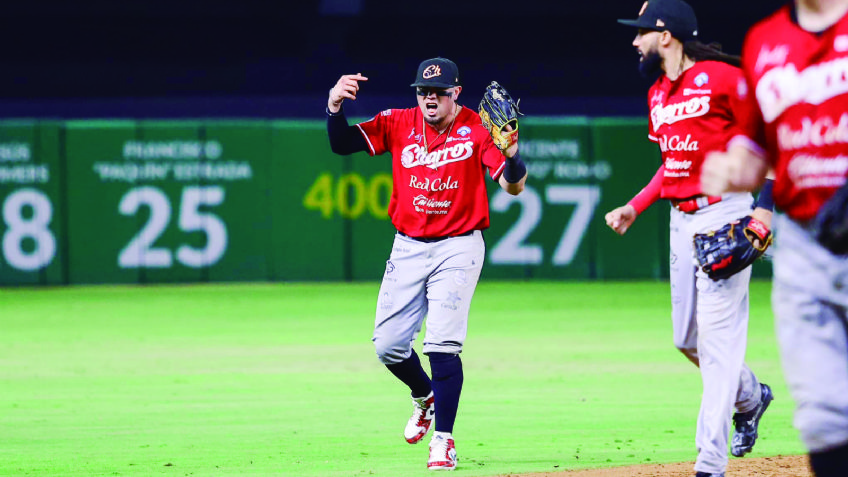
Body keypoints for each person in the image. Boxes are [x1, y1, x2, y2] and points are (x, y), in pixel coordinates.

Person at [325, 57, 527, 471]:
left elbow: (514, 187)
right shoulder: (397, 122)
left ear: (455, 92)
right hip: (408, 246)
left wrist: (512, 156)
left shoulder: (476, 128)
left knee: (440, 344)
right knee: (388, 346)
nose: (429, 98)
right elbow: (342, 143)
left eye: (438, 92)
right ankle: (426, 396)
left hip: (459, 247)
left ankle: (444, 441)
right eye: (423, 91)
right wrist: (334, 107)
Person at [605, 1, 775, 476]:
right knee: (687, 339)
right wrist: (635, 206)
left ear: (666, 35)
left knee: (719, 345)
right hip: (682, 223)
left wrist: (765, 207)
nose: (634, 41)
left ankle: (710, 461)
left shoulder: (722, 79)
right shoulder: (658, 95)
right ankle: (751, 397)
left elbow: (772, 137)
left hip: (726, 214)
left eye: (641, 32)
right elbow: (671, 164)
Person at [701, 1, 848, 475]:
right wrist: (732, 167)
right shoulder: (763, 43)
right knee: (824, 416)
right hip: (804, 248)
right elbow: (757, 147)